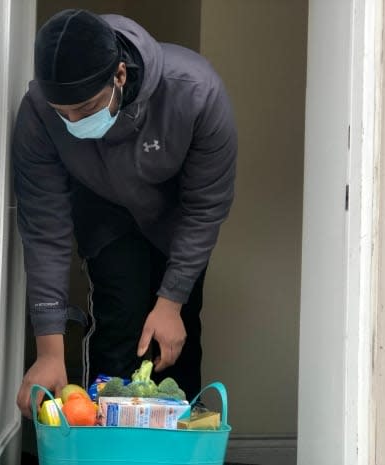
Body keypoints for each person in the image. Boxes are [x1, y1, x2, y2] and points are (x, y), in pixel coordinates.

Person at [14, 9, 237, 418]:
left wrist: (171, 301)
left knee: (174, 339)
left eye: (84, 108)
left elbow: (206, 204)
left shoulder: (195, 91)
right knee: (120, 326)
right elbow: (44, 228)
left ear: (119, 75)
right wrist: (49, 349)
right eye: (61, 110)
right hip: (103, 211)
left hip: (177, 218)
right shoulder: (38, 114)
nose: (71, 121)